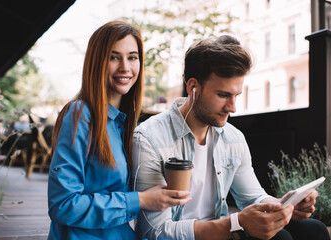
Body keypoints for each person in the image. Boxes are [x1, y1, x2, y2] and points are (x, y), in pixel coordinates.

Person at [132, 35, 330, 240]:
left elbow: (253, 198)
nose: (232, 108)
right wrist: (235, 223)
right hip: (187, 235)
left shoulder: (233, 138)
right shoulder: (149, 138)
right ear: (193, 87)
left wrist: (284, 205)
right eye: (223, 95)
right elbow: (153, 231)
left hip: (223, 230)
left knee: (313, 229)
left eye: (236, 96)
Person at [47, 21, 191, 240]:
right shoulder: (80, 114)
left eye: (132, 57)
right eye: (114, 57)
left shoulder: (121, 122)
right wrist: (140, 200)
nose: (125, 67)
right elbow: (63, 205)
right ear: (97, 62)